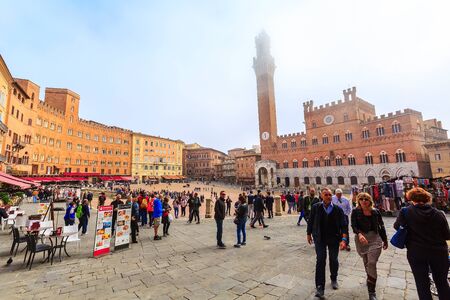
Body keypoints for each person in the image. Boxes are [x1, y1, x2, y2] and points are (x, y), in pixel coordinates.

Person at [394, 187, 450, 300]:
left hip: (416, 252)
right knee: (442, 282)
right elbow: (447, 235)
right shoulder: (439, 213)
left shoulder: (405, 212)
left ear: (411, 199)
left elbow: (397, 227)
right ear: (427, 199)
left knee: (422, 284)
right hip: (439, 252)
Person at [307, 188, 348, 298]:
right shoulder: (316, 207)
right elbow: (310, 221)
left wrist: (344, 240)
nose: (328, 196)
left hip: (334, 238)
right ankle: (320, 286)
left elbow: (344, 225)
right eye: (326, 194)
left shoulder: (337, 209)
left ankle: (334, 278)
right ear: (321, 196)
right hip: (319, 238)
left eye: (330, 194)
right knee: (320, 260)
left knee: (333, 259)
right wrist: (308, 234)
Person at [351, 193, 388, 300]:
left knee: (372, 262)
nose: (363, 201)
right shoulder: (355, 211)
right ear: (358, 201)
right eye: (361, 199)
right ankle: (370, 278)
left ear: (370, 200)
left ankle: (372, 292)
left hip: (375, 238)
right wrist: (359, 234)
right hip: (361, 239)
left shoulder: (375, 212)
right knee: (366, 261)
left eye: (366, 199)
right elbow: (353, 225)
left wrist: (385, 240)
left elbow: (381, 226)